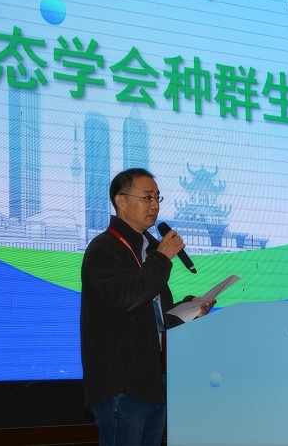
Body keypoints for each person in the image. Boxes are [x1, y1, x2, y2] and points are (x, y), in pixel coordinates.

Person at [81, 168, 214, 446]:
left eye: (157, 198)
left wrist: (190, 310)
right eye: (147, 197)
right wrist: (162, 258)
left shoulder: (150, 251)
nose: (154, 205)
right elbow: (125, 300)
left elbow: (155, 318)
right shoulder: (104, 249)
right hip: (121, 385)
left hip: (155, 382)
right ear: (121, 201)